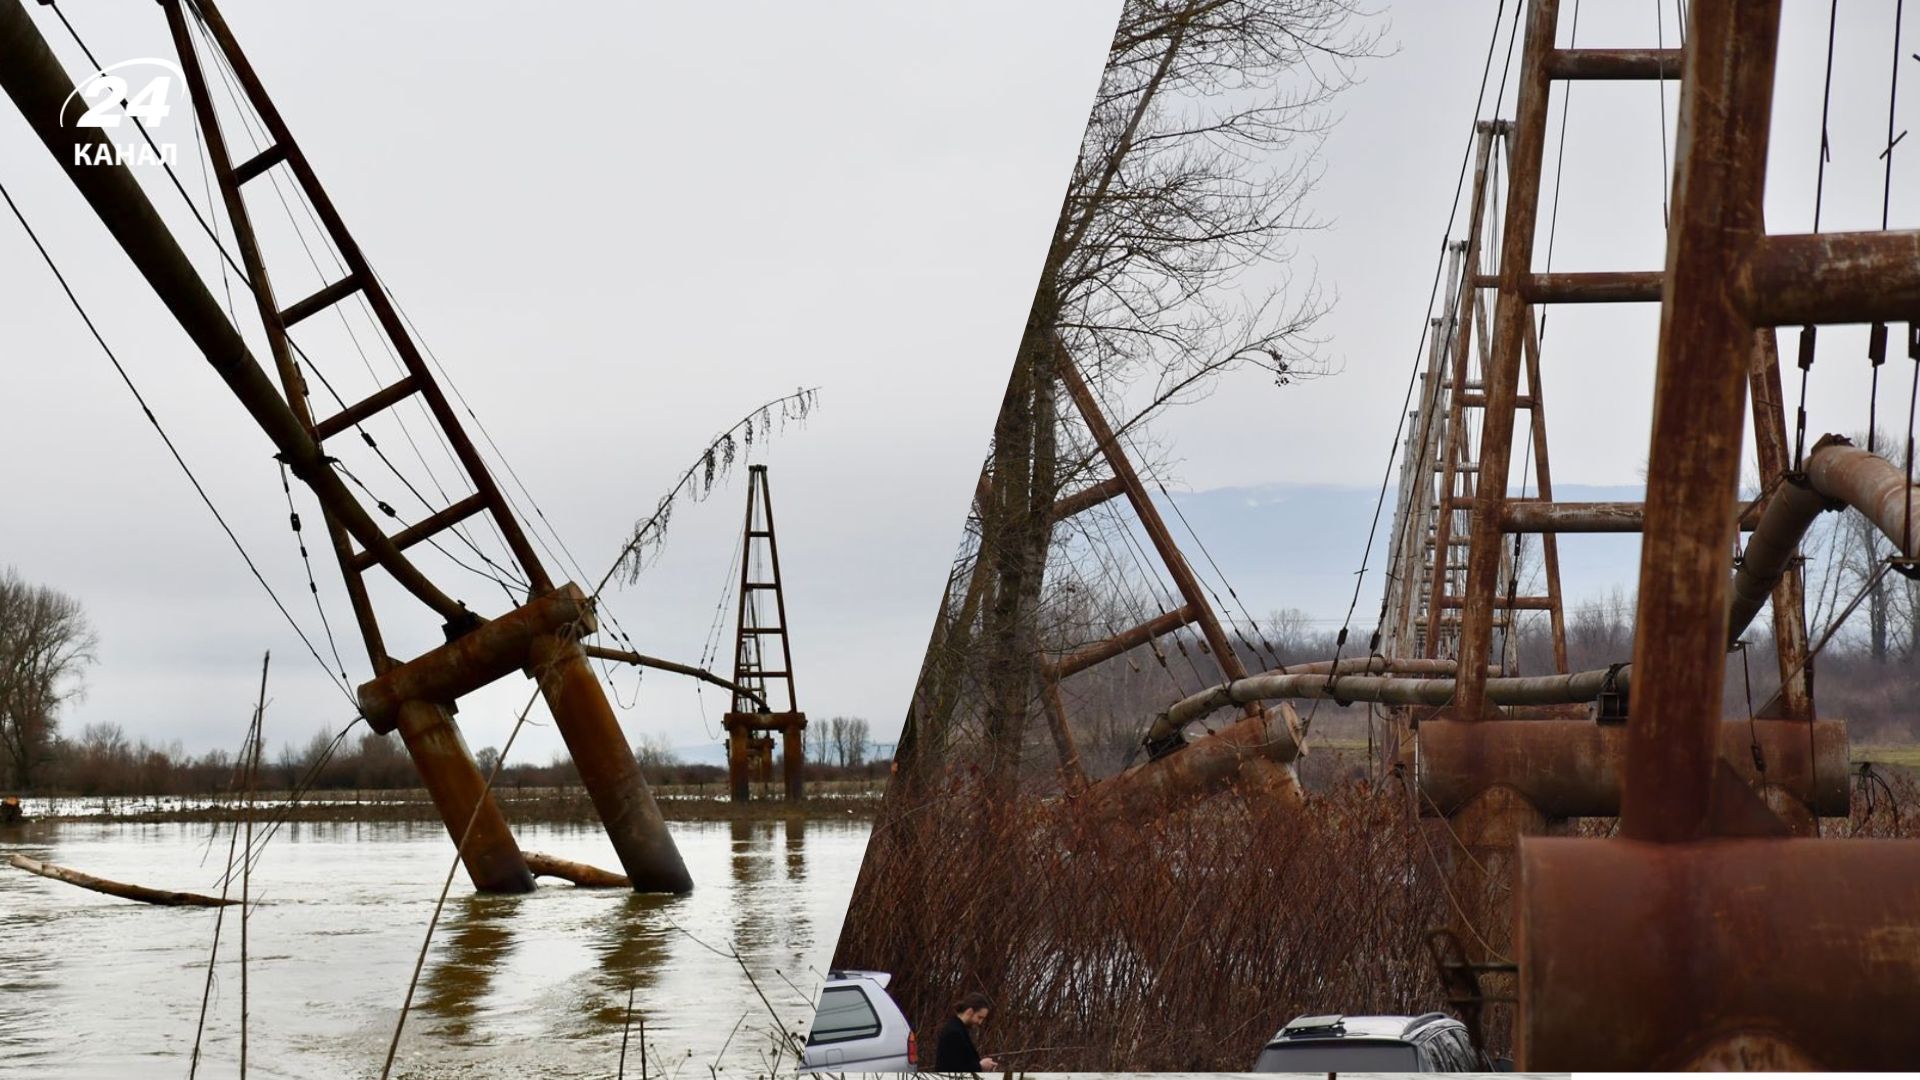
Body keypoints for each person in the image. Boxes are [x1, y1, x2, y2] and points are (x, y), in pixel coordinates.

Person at [933, 991, 998, 1073]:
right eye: (979, 1017)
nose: (980, 1022)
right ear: (970, 1011)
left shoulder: (958, 1029)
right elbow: (953, 1069)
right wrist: (980, 1066)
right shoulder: (954, 1033)